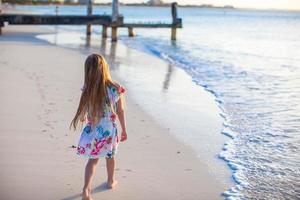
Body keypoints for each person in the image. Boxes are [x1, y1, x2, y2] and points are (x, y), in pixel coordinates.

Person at [70, 53, 127, 200]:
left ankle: (86, 189)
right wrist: (124, 130)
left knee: (93, 159)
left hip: (94, 129)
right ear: (104, 68)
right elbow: (120, 111)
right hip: (109, 130)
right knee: (110, 156)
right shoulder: (115, 88)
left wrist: (83, 116)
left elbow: (82, 112)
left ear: (88, 71)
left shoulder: (87, 89)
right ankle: (110, 181)